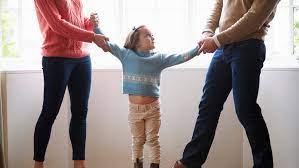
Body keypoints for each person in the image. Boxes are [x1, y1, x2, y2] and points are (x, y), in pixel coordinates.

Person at [172, 0, 281, 168]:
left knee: (246, 109)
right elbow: (219, 5)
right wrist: (207, 32)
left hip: (249, 46)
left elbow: (254, 17)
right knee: (208, 105)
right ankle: (191, 162)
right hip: (223, 48)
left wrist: (216, 40)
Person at [91, 14, 200, 168]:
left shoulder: (159, 58)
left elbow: (181, 57)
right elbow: (106, 44)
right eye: (148, 35)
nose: (152, 37)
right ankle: (137, 165)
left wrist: (198, 48)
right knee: (138, 140)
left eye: (152, 35)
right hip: (134, 110)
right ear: (136, 41)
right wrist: (95, 26)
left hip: (153, 109)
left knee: (153, 140)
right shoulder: (126, 54)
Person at [33, 0, 109, 168]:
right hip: (56, 59)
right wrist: (92, 37)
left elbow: (78, 22)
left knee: (80, 113)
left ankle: (79, 164)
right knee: (49, 112)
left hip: (82, 59)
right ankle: (38, 165)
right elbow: (58, 25)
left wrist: (90, 23)